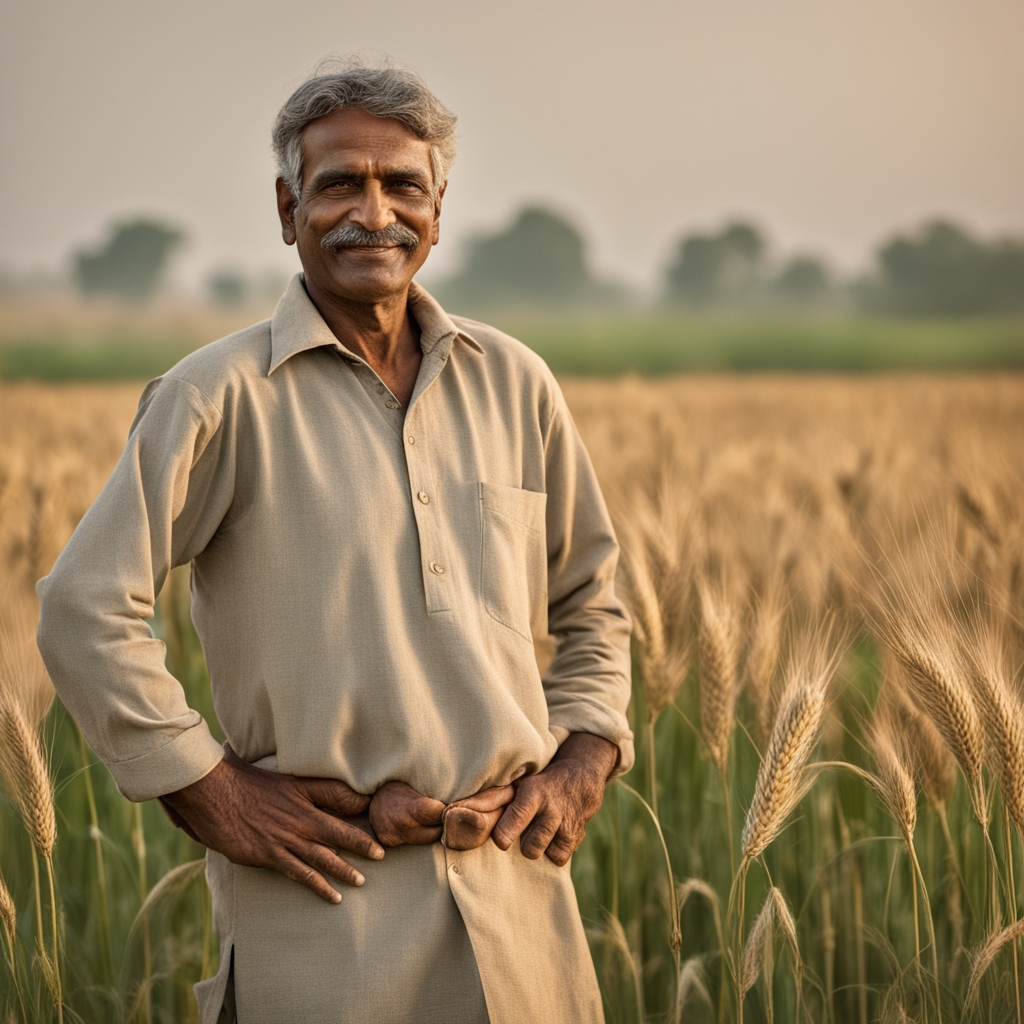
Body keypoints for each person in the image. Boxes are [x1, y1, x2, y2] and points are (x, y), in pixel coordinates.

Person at [36, 61, 633, 1024]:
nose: (374, 212)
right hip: (325, 927)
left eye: (402, 185)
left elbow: (592, 599)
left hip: (521, 927)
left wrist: (584, 758)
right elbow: (82, 607)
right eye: (338, 184)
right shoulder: (216, 396)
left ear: (438, 208)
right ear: (287, 208)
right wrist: (208, 787)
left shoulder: (515, 383)